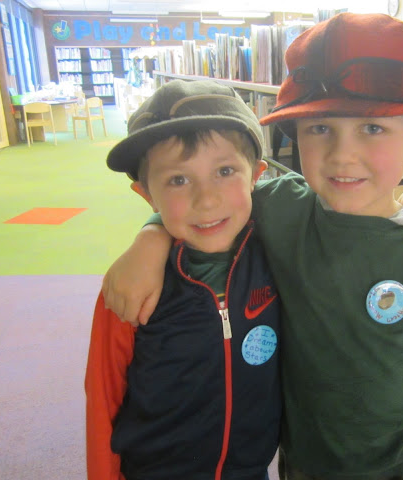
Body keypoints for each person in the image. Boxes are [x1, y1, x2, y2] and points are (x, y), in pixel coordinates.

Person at [103, 13, 403, 480]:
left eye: (373, 127)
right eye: (320, 128)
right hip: (305, 456)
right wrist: (152, 235)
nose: (342, 154)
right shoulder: (281, 209)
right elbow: (206, 203)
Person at [84, 80, 281, 480]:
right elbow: (102, 401)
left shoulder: (280, 251)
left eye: (225, 171)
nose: (206, 199)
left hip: (251, 469)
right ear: (146, 195)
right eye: (177, 180)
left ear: (256, 175)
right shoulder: (129, 289)